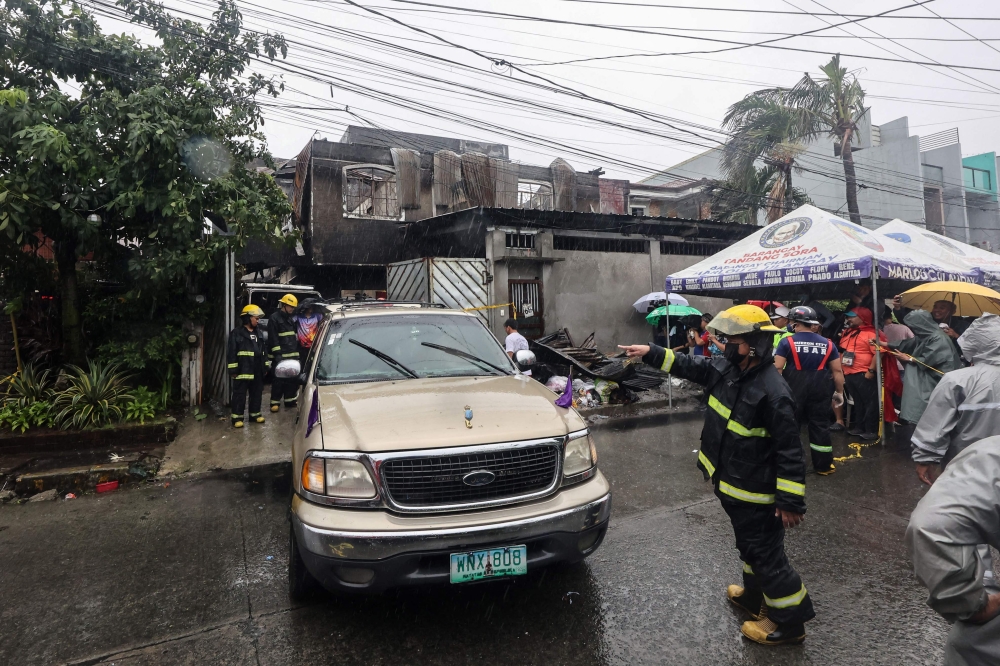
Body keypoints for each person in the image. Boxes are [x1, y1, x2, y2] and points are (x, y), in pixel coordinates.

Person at [619, 304, 814, 646]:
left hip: (757, 495)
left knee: (766, 556)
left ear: (753, 345)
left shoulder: (774, 391)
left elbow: (790, 451)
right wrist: (652, 352)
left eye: (730, 340)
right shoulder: (728, 369)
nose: (722, 346)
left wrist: (790, 501)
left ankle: (789, 622)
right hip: (732, 484)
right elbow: (689, 365)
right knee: (750, 548)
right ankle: (754, 597)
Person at [906, 436, 1000, 666]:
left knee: (973, 644)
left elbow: (931, 526)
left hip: (972, 462)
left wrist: (971, 605)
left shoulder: (988, 455)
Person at [910, 313, 1000, 485]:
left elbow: (935, 423)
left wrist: (925, 458)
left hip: (966, 469)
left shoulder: (958, 380)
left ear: (973, 341)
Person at [774, 306, 845, 475]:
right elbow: (837, 371)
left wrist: (776, 391)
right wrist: (839, 392)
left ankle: (792, 465)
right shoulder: (828, 343)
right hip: (820, 388)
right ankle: (823, 465)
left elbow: (778, 368)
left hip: (794, 387)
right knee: (820, 426)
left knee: (791, 426)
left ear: (796, 323)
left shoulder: (787, 342)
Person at [886, 309, 962, 426]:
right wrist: (885, 344)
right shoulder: (925, 335)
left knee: (929, 404)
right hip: (930, 376)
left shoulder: (938, 338)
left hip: (938, 377)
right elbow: (908, 343)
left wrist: (909, 359)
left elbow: (931, 357)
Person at [838, 307, 880, 440]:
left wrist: (871, 370)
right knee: (858, 402)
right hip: (849, 373)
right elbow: (842, 351)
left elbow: (879, 353)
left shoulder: (872, 334)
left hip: (864, 373)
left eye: (851, 316)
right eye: (848, 317)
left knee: (870, 402)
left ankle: (871, 430)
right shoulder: (847, 332)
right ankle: (859, 427)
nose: (848, 319)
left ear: (863, 318)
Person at [227, 304, 269, 428]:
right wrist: (233, 369)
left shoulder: (259, 333)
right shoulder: (237, 333)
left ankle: (255, 415)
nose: (258, 320)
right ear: (247, 318)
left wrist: (265, 367)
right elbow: (232, 352)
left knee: (256, 393)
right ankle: (237, 418)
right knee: (239, 394)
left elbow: (264, 352)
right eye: (256, 318)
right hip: (242, 369)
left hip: (257, 369)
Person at [267, 294, 300, 413]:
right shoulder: (274, 318)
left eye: (293, 307)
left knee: (292, 379)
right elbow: (273, 338)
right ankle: (275, 402)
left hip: (291, 355)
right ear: (284, 305)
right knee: (278, 380)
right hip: (280, 356)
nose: (292, 309)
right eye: (290, 306)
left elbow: (293, 337)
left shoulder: (291, 319)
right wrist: (278, 355)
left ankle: (289, 400)